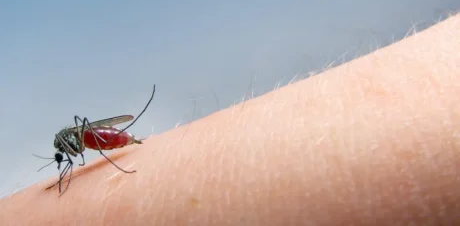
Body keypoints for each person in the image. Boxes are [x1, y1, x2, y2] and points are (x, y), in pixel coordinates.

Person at [1, 13, 459, 225]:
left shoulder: (74, 142)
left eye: (62, 158)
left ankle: (126, 144)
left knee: (86, 130)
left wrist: (98, 149)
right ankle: (128, 142)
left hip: (98, 134)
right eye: (63, 160)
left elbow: (76, 142)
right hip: (97, 136)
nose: (63, 161)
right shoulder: (68, 145)